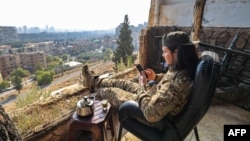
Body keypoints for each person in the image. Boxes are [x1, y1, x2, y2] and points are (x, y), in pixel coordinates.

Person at [82, 31, 199, 123]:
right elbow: (170, 78)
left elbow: (150, 113)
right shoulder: (183, 70)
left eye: (165, 51)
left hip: (146, 106)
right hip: (151, 95)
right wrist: (155, 77)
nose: (163, 55)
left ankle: (93, 89)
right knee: (123, 83)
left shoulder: (175, 87)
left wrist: (142, 86)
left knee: (111, 92)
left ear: (176, 52)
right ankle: (92, 80)